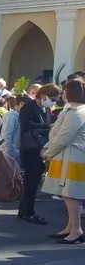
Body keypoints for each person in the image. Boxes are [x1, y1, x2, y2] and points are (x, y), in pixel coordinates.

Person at [41, 80, 85, 244]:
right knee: (69, 194)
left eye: (65, 91)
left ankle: (76, 230)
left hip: (72, 157)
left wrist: (48, 152)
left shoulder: (76, 112)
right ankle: (70, 227)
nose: (63, 94)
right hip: (70, 156)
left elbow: (63, 137)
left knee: (70, 194)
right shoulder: (74, 110)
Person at [18, 83, 59, 224]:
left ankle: (24, 210)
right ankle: (28, 212)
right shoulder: (28, 107)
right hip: (31, 149)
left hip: (40, 147)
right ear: (43, 95)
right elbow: (25, 125)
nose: (53, 102)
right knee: (31, 182)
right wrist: (47, 126)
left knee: (33, 182)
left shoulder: (45, 109)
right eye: (52, 99)